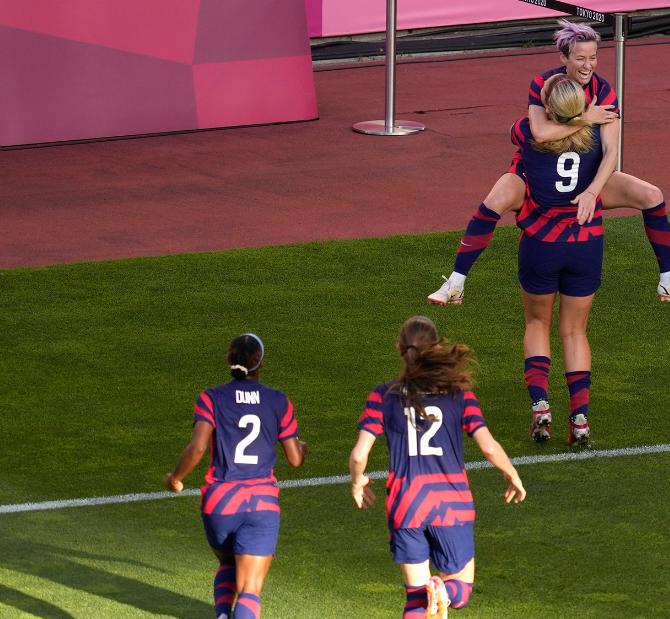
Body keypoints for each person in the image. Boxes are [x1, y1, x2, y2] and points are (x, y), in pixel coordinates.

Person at [428, 19, 670, 307]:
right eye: (580, 58)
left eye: (593, 57)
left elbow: (612, 151)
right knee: (494, 201)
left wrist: (592, 192)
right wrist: (587, 118)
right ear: (564, 58)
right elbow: (540, 133)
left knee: (651, 195)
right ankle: (456, 282)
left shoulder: (605, 92)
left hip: (586, 174)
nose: (588, 65)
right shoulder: (544, 84)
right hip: (532, 171)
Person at [349, 316, 526, 619]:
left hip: (406, 502)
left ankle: (433, 592)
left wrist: (357, 481)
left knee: (416, 600)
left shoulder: (383, 395)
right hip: (450, 503)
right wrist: (512, 474)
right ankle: (443, 590)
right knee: (460, 589)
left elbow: (359, 454)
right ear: (434, 347)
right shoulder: (459, 393)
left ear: (399, 348)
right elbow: (488, 446)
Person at [165, 333, 306, 619]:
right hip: (260, 506)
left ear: (229, 360)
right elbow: (294, 459)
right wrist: (303, 447)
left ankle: (220, 614)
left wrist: (175, 477)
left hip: (219, 505)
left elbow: (198, 448)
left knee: (228, 563)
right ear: (260, 363)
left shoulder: (210, 398)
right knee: (250, 590)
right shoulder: (278, 401)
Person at [507, 74, 614, 446]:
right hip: (586, 242)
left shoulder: (529, 134)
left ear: (549, 108)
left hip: (541, 243)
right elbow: (609, 151)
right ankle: (580, 418)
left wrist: (561, 116)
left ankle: (541, 407)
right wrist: (590, 118)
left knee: (537, 322)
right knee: (575, 331)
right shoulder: (597, 138)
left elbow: (525, 130)